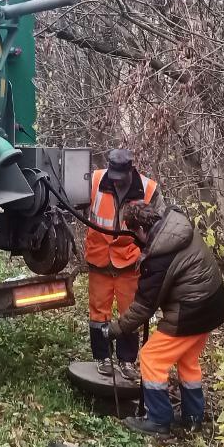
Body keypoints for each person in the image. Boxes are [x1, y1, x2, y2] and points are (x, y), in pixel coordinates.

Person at [109, 202, 224, 436]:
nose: (135, 240)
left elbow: (144, 306)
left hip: (191, 312)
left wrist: (116, 329)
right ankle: (193, 418)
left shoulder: (160, 256)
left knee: (151, 358)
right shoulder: (176, 227)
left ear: (140, 229)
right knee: (187, 360)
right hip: (213, 306)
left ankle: (158, 420)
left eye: (134, 234)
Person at [86, 148, 162, 382]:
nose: (116, 182)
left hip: (129, 260)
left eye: (121, 178)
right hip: (99, 257)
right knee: (98, 313)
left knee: (129, 312)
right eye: (114, 177)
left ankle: (126, 360)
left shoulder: (148, 189)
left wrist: (150, 255)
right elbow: (73, 205)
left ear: (130, 171)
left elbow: (159, 226)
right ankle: (102, 357)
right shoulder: (95, 180)